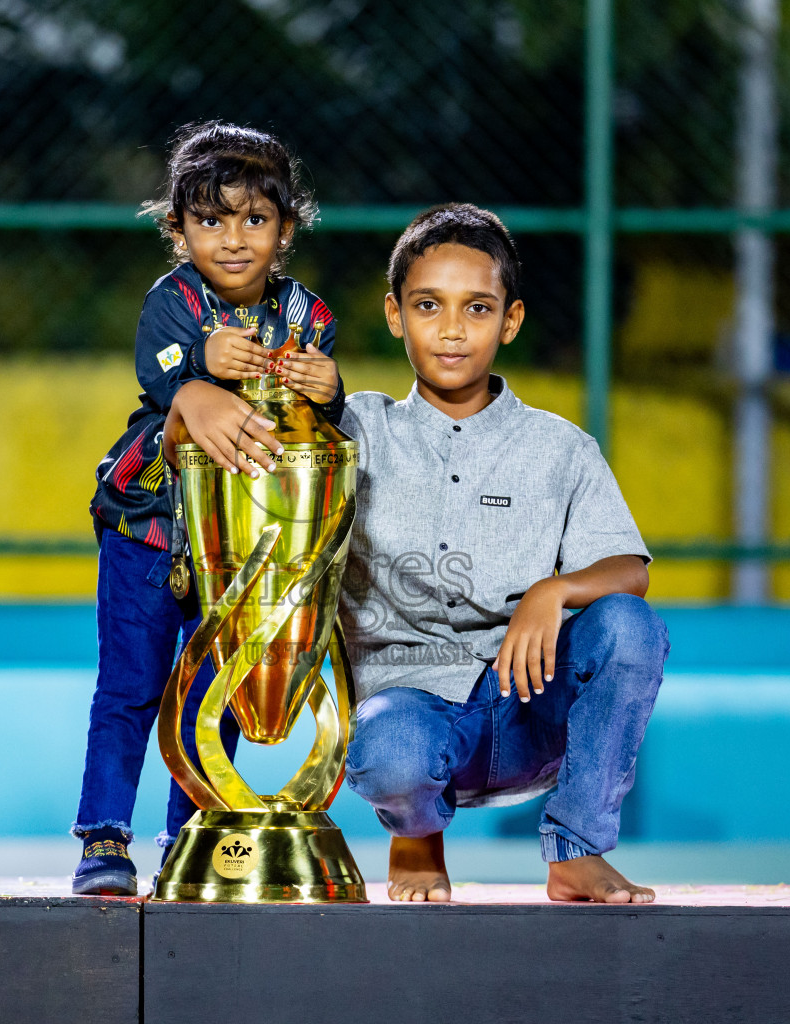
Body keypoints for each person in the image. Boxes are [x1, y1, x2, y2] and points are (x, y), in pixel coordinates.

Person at [168, 204, 666, 903]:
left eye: (478, 308)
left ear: (511, 321)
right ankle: (416, 837)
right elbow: (233, 460)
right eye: (429, 306)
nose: (453, 330)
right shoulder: (351, 431)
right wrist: (189, 392)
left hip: (528, 708)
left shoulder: (560, 448)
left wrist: (552, 592)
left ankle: (576, 851)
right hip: (407, 713)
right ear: (395, 314)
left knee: (628, 627)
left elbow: (629, 571)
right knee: (393, 751)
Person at [73, 121, 345, 896]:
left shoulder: (308, 319)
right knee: (130, 686)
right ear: (178, 227)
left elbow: (321, 429)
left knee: (213, 695)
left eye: (255, 220)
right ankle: (103, 839)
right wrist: (198, 366)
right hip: (149, 530)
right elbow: (164, 383)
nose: (233, 239)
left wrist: (331, 389)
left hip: (245, 545)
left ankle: (190, 835)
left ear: (286, 228)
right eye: (210, 220)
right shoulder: (173, 303)